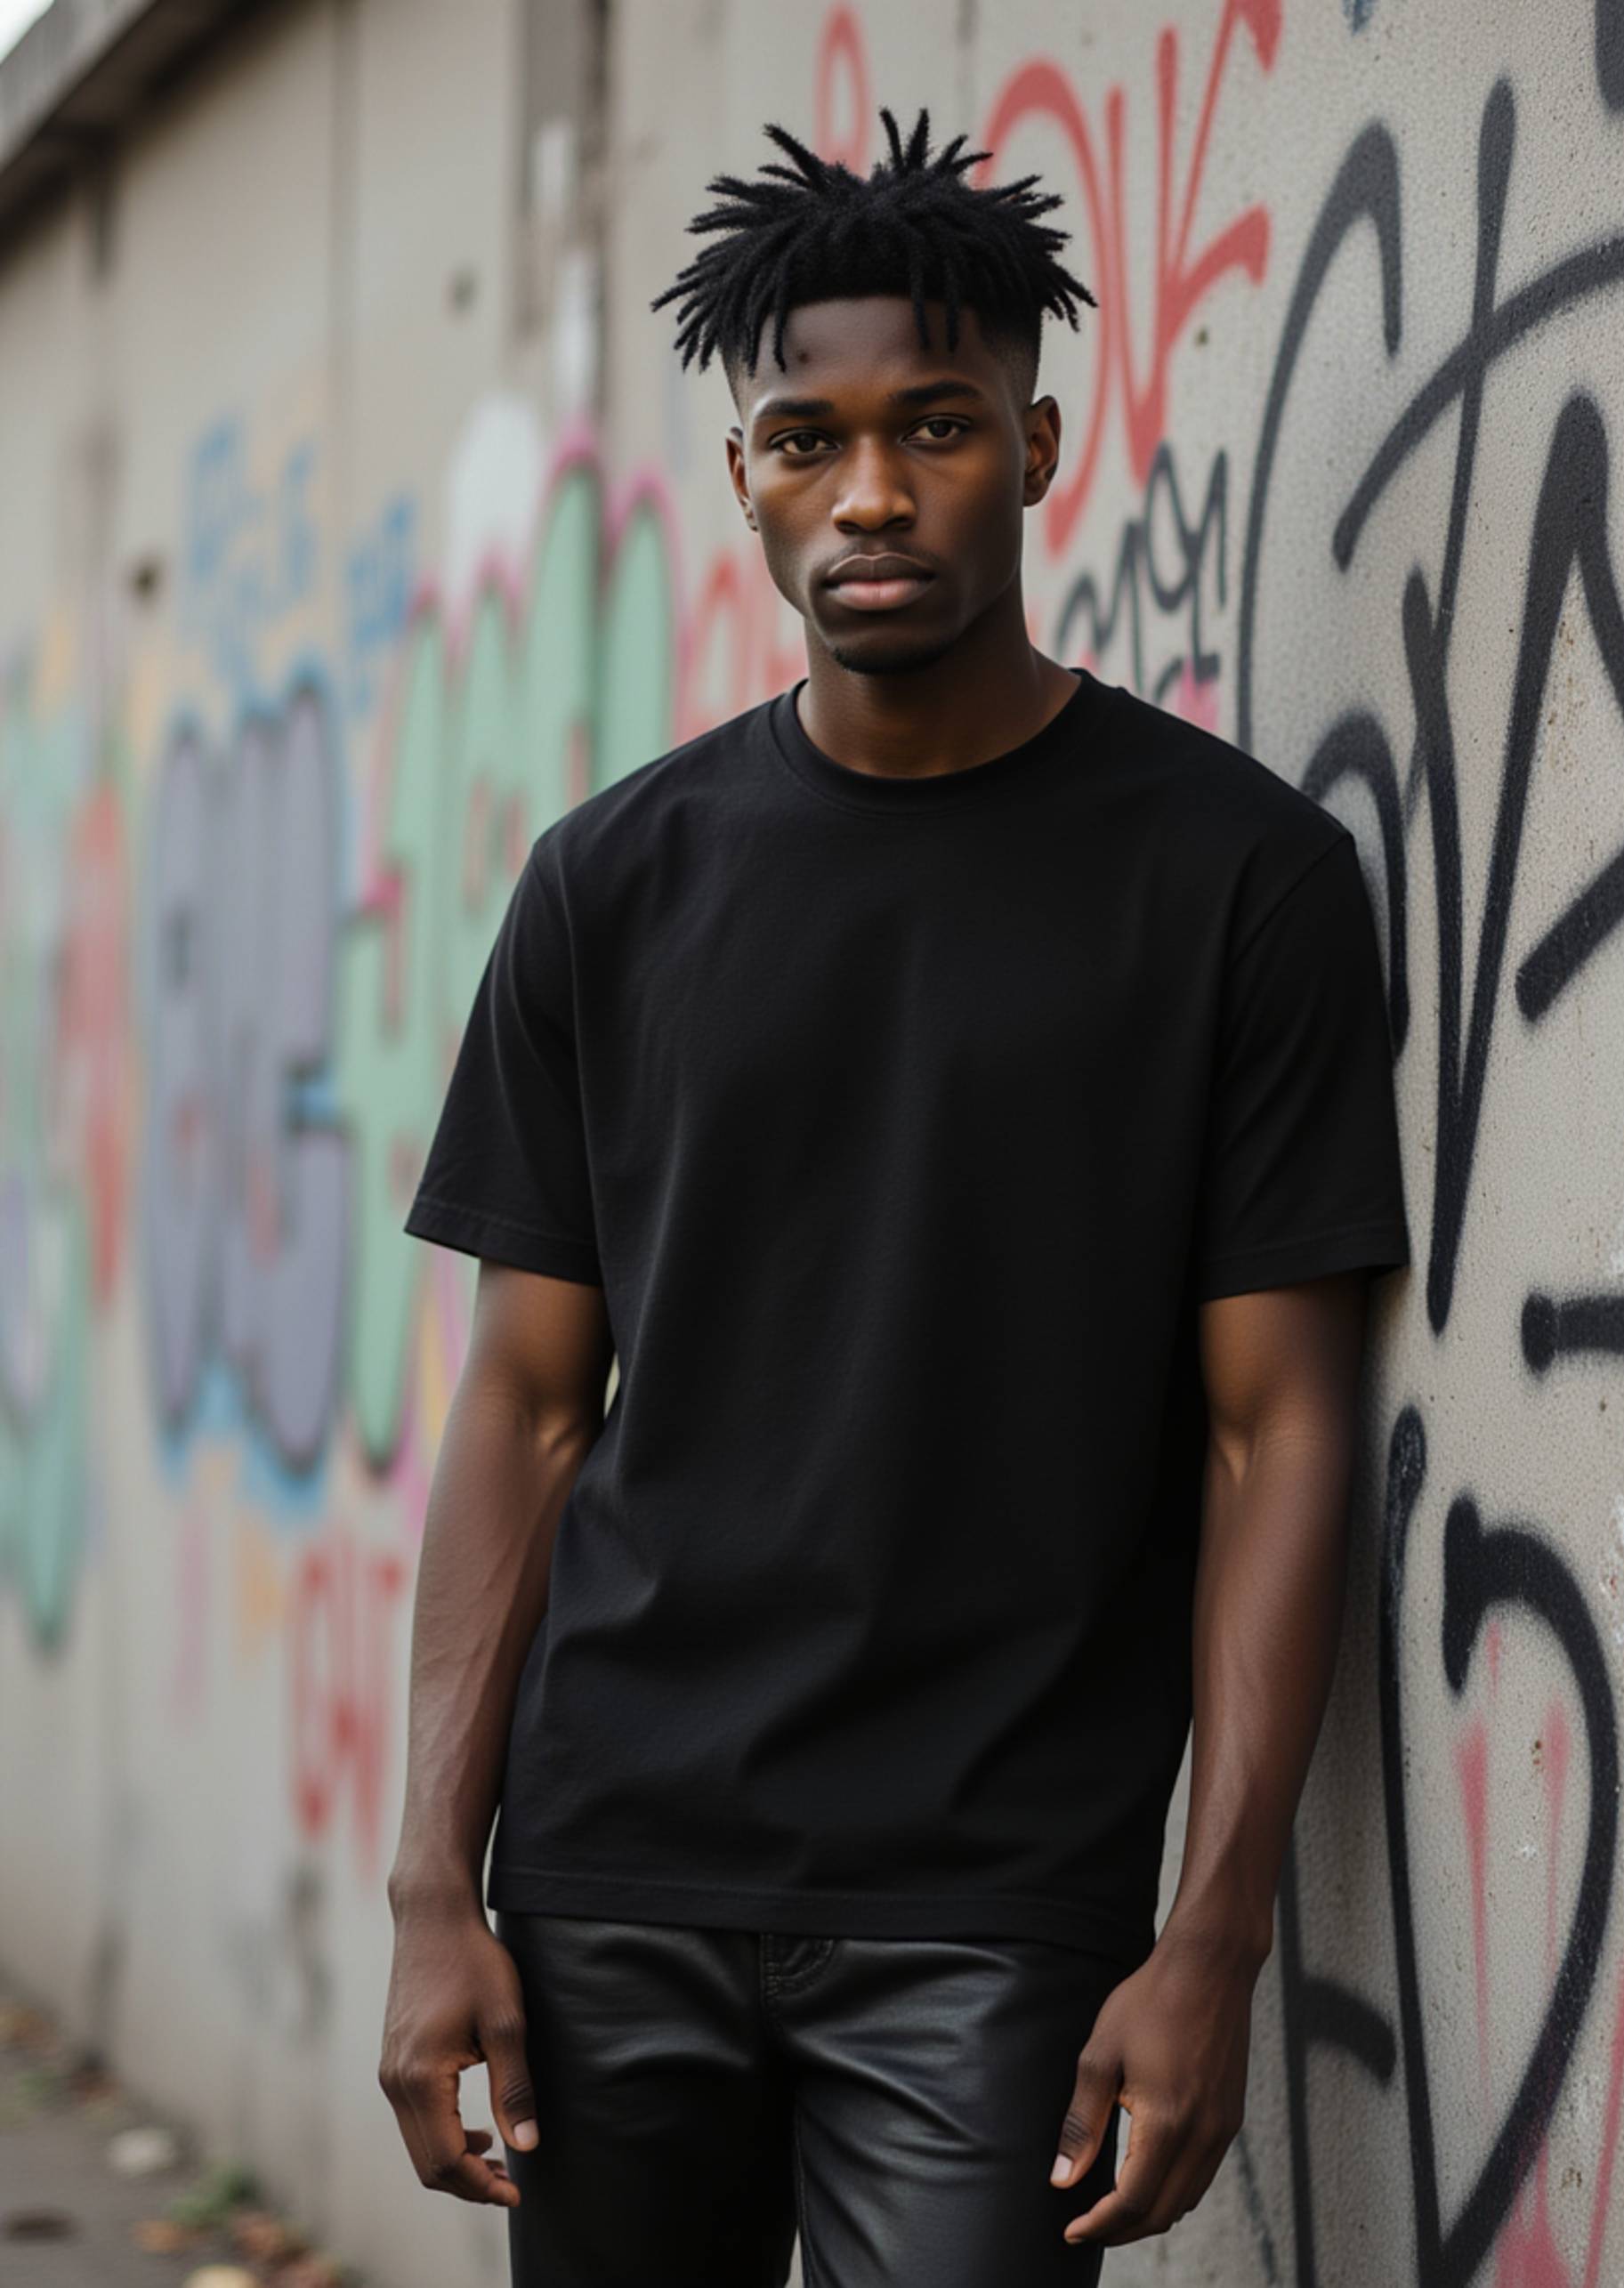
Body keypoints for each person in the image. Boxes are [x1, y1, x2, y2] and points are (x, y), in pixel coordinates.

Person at [378, 105, 1411, 2287]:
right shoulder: (610, 886)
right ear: (742, 470)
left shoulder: (1235, 884)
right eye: (802, 437)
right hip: (615, 1870)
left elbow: (1278, 1424)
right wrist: (430, 1886)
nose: (866, 492)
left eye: (933, 426)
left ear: (1035, 446)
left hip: (994, 1895)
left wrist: (1208, 1932)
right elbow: (526, 1406)